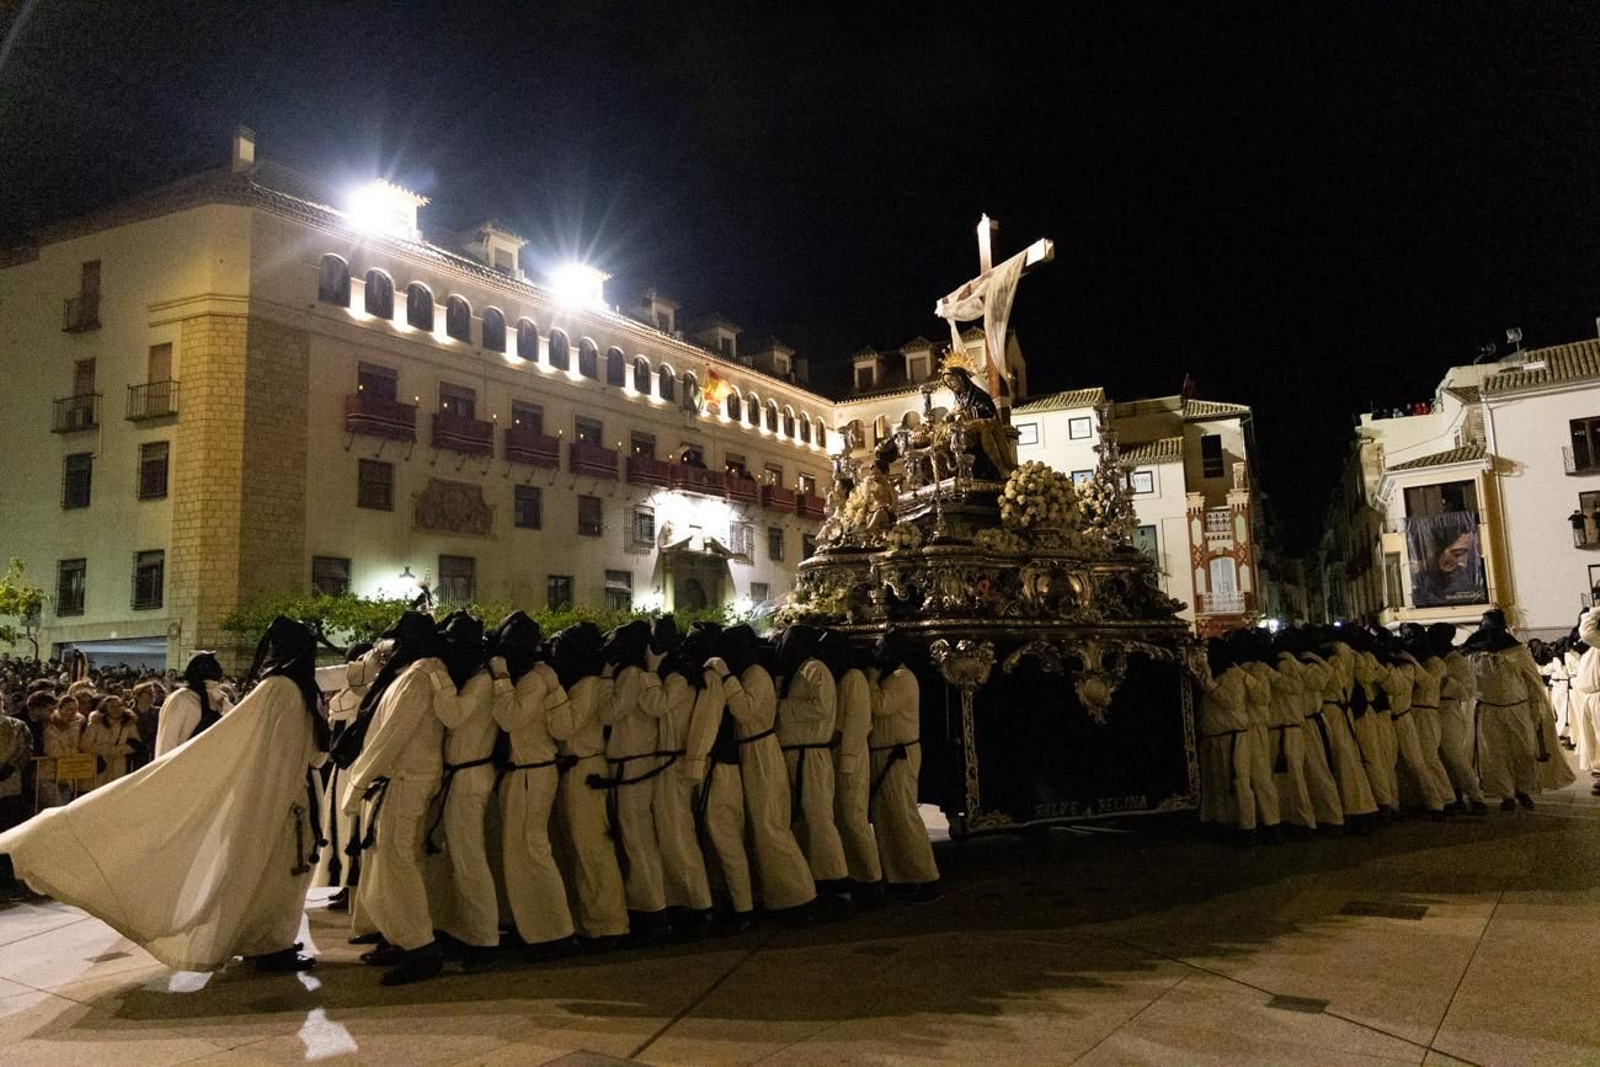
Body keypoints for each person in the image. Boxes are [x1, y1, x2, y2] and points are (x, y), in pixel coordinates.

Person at [0, 616, 328, 972]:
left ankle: (270, 939)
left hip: (289, 793)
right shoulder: (276, 690)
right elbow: (210, 743)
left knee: (278, 873)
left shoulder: (288, 690)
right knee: (267, 869)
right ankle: (266, 943)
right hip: (274, 796)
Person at [341, 612, 453, 985]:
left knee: (398, 862)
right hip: (397, 780)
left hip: (405, 781)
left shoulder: (419, 678)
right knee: (386, 863)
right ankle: (400, 937)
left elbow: (392, 736)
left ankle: (420, 947)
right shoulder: (412, 675)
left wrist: (358, 783)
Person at [493, 614, 577, 961]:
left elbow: (511, 717)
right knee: (523, 853)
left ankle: (553, 932)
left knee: (532, 851)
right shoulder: (538, 676)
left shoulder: (535, 679)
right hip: (528, 772)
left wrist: (499, 677)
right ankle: (534, 927)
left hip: (531, 773)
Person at [719, 624, 816, 916]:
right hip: (753, 750)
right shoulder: (751, 674)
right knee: (763, 825)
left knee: (770, 824)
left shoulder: (756, 675)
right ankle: (781, 894)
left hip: (760, 751)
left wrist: (725, 677)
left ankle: (797, 895)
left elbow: (745, 711)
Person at [543, 620, 628, 947]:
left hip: (585, 769)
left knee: (592, 848)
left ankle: (608, 924)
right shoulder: (584, 682)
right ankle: (594, 921)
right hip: (578, 769)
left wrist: (552, 691)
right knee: (581, 848)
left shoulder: (588, 684)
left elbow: (564, 727)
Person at [427, 613, 502, 968]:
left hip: (470, 777)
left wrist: (435, 675)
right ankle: (467, 930)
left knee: (470, 858)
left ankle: (483, 936)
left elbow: (454, 715)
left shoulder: (482, 681)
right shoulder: (477, 678)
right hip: (464, 775)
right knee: (461, 858)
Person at [1463, 610, 1575, 809]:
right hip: (1489, 710)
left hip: (1518, 709)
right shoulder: (1473, 653)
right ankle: (1506, 795)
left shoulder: (1517, 651)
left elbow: (1532, 682)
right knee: (1494, 754)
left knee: (1524, 751)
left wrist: (1537, 710)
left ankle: (1523, 790)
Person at [776, 625, 850, 903]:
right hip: (797, 754)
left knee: (819, 818)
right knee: (804, 820)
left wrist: (784, 708)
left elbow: (821, 708)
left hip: (811, 756)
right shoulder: (797, 671)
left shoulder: (815, 669)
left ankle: (835, 881)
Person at [655, 624, 720, 936]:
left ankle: (697, 904)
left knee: (679, 836)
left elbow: (702, 723)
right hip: (670, 762)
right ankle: (682, 900)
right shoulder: (687, 675)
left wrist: (693, 763)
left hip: (677, 763)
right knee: (672, 835)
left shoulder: (688, 678)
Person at [868, 632, 940, 897]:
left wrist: (871, 681)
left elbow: (880, 706)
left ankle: (925, 877)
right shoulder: (892, 678)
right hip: (884, 752)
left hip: (897, 755)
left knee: (903, 816)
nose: (877, 654)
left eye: (881, 648)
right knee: (886, 819)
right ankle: (899, 877)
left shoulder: (902, 678)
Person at [314, 642, 378, 911]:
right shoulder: (349, 693)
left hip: (355, 766)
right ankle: (344, 882)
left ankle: (353, 882)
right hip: (342, 768)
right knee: (339, 826)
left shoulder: (368, 693)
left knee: (352, 826)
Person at [823, 631, 883, 900]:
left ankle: (872, 878)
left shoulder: (854, 679)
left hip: (852, 756)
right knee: (844, 817)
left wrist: (846, 763)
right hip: (842, 754)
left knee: (854, 818)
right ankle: (857, 873)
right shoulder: (844, 678)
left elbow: (857, 724)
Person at [1431, 623, 1488, 814]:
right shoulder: (1432, 657)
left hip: (1448, 708)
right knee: (1438, 756)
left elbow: (1468, 691)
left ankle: (1476, 797)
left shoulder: (1457, 661)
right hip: (1430, 709)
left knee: (1454, 755)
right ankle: (1452, 796)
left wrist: (1446, 683)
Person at [154, 652, 232, 757]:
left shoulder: (218, 697)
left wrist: (221, 700)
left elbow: (234, 721)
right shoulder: (181, 699)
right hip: (183, 763)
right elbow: (167, 740)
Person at [1407, 512, 1483, 608]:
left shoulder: (1463, 584)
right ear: (1436, 548)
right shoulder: (1418, 588)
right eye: (1457, 554)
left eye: (1470, 552)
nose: (1463, 563)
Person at [0, 696, 31, 898]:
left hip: (9, 788)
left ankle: (7, 881)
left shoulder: (17, 726)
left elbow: (25, 749)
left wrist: (10, 767)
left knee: (7, 833)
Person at [80, 694, 141, 790]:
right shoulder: (96, 723)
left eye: (119, 706)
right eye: (112, 707)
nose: (116, 709)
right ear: (105, 708)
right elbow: (85, 745)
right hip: (99, 764)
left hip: (119, 765)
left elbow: (135, 743)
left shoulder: (129, 723)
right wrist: (106, 750)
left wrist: (118, 750)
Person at [41, 695, 84, 807]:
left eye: (75, 709)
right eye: (69, 709)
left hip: (68, 771)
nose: (73, 712)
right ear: (60, 709)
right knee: (56, 806)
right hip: (50, 773)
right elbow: (52, 749)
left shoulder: (78, 724)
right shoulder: (51, 725)